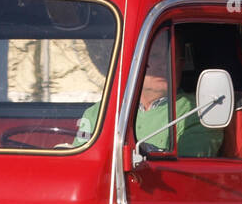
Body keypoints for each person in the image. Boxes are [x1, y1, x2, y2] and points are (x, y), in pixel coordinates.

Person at [80, 32, 221, 157]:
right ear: (135, 61)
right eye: (154, 56)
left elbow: (185, 171)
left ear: (181, 64)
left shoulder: (200, 112)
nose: (164, 64)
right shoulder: (97, 113)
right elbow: (80, 161)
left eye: (172, 56)